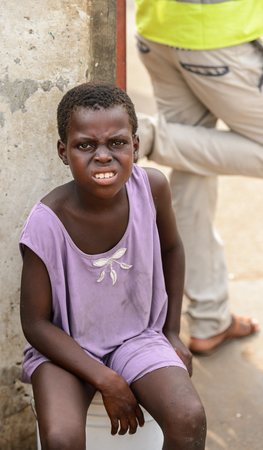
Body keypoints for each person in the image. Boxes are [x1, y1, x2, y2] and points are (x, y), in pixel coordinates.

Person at [19, 81, 206, 450]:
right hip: (66, 346)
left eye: (117, 143)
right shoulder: (46, 222)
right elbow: (36, 324)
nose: (102, 156)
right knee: (62, 437)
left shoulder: (151, 189)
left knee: (189, 417)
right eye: (85, 145)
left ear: (135, 146)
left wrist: (170, 331)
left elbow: (172, 249)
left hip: (138, 336)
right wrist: (108, 379)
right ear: (63, 151)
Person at [133, 0, 262, 355]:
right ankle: (146, 135)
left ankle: (209, 318)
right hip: (220, 39)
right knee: (186, 155)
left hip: (159, 30)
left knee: (193, 170)